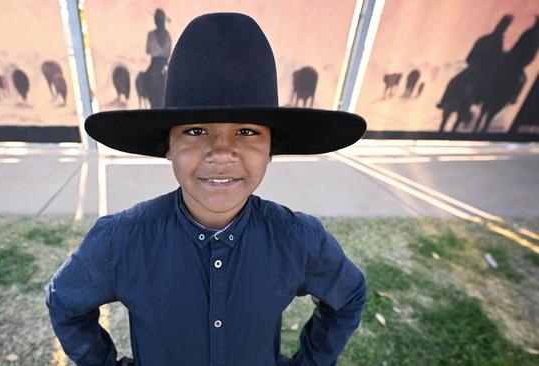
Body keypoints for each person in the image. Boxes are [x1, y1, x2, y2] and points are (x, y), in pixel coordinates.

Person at [46, 12, 368, 366]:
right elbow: (65, 300)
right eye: (196, 131)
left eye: (247, 132)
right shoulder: (118, 241)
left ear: (270, 149)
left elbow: (348, 296)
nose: (221, 152)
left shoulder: (300, 239)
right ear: (166, 146)